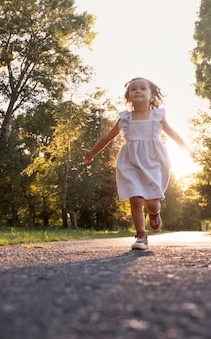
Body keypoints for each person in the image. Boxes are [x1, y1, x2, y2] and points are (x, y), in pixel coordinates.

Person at [83, 77, 195, 250]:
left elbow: (174, 134)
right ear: (128, 96)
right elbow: (108, 137)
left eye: (143, 88)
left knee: (151, 201)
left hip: (153, 161)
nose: (138, 91)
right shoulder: (124, 119)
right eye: (133, 89)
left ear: (151, 95)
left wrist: (187, 150)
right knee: (135, 199)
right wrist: (92, 152)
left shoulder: (157, 116)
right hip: (130, 162)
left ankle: (154, 212)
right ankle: (141, 235)